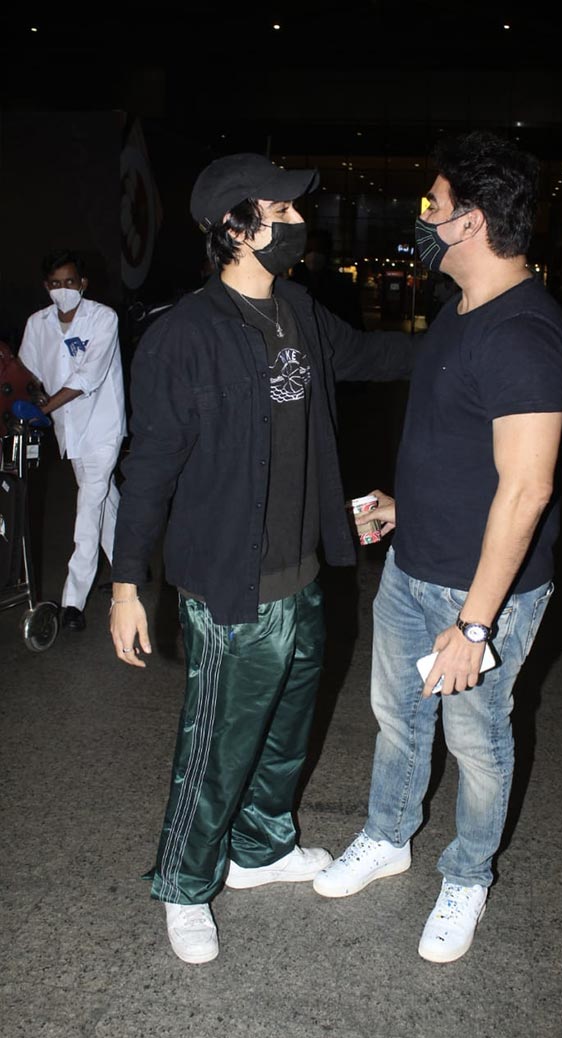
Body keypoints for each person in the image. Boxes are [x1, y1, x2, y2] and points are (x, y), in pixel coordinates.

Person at [108, 153, 414, 965]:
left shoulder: (301, 313)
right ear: (234, 227)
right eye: (280, 209)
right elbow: (148, 470)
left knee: (284, 731)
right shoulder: (185, 335)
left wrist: (467, 330)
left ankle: (262, 848)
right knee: (217, 744)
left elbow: (374, 358)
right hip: (230, 583)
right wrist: (127, 582)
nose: (296, 222)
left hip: (305, 569)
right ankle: (183, 882)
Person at [313, 131, 562, 965]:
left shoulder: (524, 334)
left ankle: (467, 875)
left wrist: (473, 627)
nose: (422, 216)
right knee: (397, 719)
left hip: (477, 599)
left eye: (432, 204)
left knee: (476, 738)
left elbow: (527, 488)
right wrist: (404, 505)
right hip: (412, 567)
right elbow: (460, 449)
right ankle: (390, 837)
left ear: (470, 223)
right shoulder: (463, 312)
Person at [18, 250, 126, 630]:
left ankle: (72, 603)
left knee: (88, 507)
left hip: (102, 426)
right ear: (46, 287)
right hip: (69, 431)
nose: (63, 290)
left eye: (70, 282)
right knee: (103, 499)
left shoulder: (103, 318)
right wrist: (33, 399)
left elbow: (87, 377)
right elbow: (28, 372)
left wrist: (43, 410)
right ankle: (129, 565)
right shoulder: (38, 323)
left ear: (83, 284)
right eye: (55, 284)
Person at [290, 228, 365, 329]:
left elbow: (354, 325)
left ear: (328, 253)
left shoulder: (343, 289)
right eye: (309, 250)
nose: (313, 255)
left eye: (319, 250)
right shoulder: (292, 286)